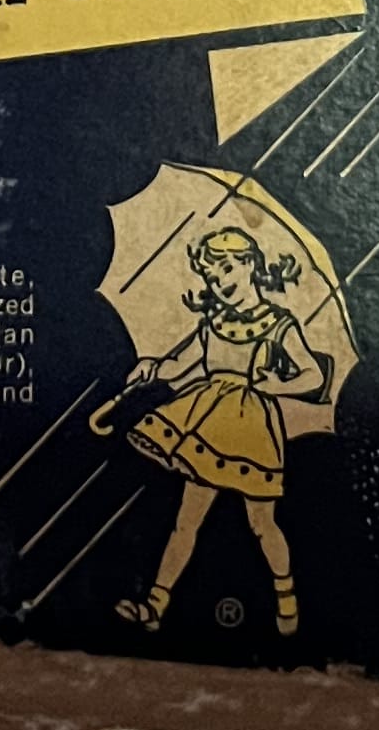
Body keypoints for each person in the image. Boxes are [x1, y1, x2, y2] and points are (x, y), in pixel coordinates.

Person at [99, 221, 330, 638]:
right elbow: (181, 366)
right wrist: (153, 367)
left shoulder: (279, 323)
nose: (219, 282)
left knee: (262, 523)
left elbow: (313, 374)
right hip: (206, 426)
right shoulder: (213, 323)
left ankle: (286, 594)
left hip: (252, 429)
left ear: (250, 265)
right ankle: (156, 605)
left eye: (227, 269)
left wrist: (275, 385)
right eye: (211, 275)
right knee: (186, 521)